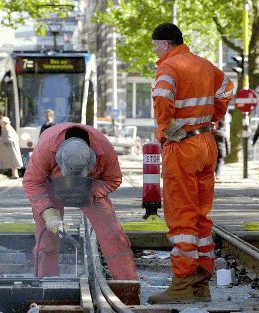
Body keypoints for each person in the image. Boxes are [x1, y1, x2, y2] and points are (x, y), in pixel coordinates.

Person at [148, 23, 234, 304]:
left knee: (181, 215)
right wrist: (212, 117)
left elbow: (162, 101)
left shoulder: (169, 67)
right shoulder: (204, 65)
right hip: (206, 144)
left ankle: (182, 284)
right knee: (200, 215)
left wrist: (168, 131)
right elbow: (226, 89)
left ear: (164, 43)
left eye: (155, 46)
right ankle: (200, 283)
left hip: (183, 147)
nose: (155, 52)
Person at [22, 123, 138, 280]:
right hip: (51, 185)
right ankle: (46, 282)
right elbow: (32, 182)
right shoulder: (46, 147)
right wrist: (48, 211)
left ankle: (127, 283)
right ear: (59, 157)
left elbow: (114, 179)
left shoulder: (104, 148)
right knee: (47, 239)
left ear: (91, 158)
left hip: (90, 187)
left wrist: (92, 192)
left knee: (113, 235)